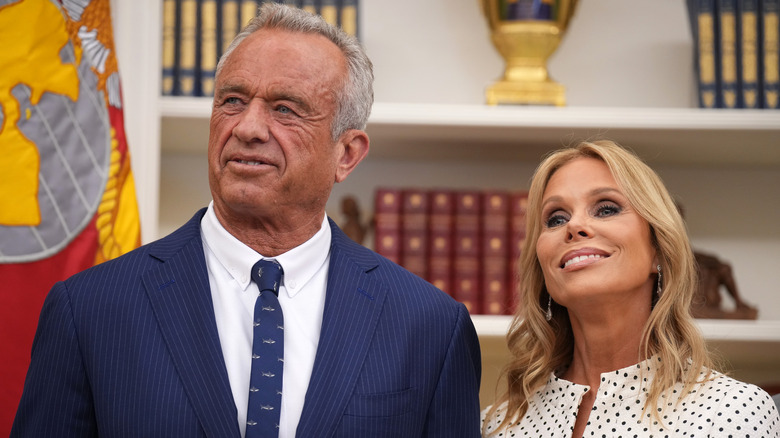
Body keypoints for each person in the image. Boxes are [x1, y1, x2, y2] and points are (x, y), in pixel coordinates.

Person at [11, 4, 482, 437]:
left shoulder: (431, 329)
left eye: (285, 109)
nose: (248, 127)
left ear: (347, 154)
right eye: (233, 100)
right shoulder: (89, 310)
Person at [481, 140, 780, 437]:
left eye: (606, 209)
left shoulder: (733, 410)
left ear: (658, 250)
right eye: (556, 218)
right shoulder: (495, 425)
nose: (574, 226)